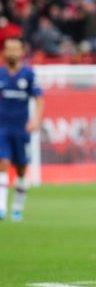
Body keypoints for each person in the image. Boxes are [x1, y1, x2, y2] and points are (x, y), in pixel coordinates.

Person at [0, 37, 43, 221]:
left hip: (21, 129)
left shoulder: (29, 74)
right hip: (2, 127)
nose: (11, 53)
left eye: (15, 49)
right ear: (4, 52)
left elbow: (39, 99)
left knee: (21, 169)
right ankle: (1, 207)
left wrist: (36, 120)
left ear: (21, 52)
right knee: (3, 163)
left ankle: (17, 206)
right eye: (8, 49)